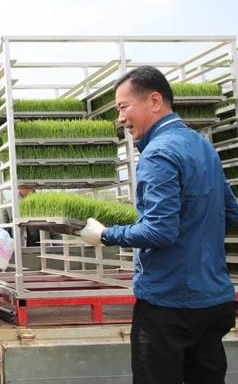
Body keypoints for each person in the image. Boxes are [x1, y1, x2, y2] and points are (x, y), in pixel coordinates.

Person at [79, 66, 238, 384]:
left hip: (169, 306)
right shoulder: (202, 145)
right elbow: (232, 214)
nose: (121, 118)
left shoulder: (157, 154)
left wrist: (105, 235)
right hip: (214, 302)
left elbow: (160, 231)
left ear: (154, 100)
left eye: (123, 107)